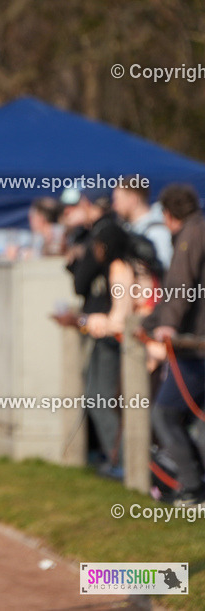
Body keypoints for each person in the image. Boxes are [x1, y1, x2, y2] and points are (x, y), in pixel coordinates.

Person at [142, 184, 205, 506]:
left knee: (165, 415)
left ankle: (195, 488)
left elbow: (180, 284)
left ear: (168, 215)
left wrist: (164, 325)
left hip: (194, 349)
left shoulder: (191, 234)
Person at [60, 187, 128, 476]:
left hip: (113, 334)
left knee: (101, 396)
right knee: (97, 396)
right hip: (106, 330)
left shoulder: (111, 249)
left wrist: (76, 260)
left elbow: (83, 283)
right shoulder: (107, 239)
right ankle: (117, 460)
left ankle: (122, 462)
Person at [113, 175, 172, 271]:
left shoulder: (158, 232)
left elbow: (165, 270)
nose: (115, 206)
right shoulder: (128, 229)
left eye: (117, 199)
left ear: (133, 199)